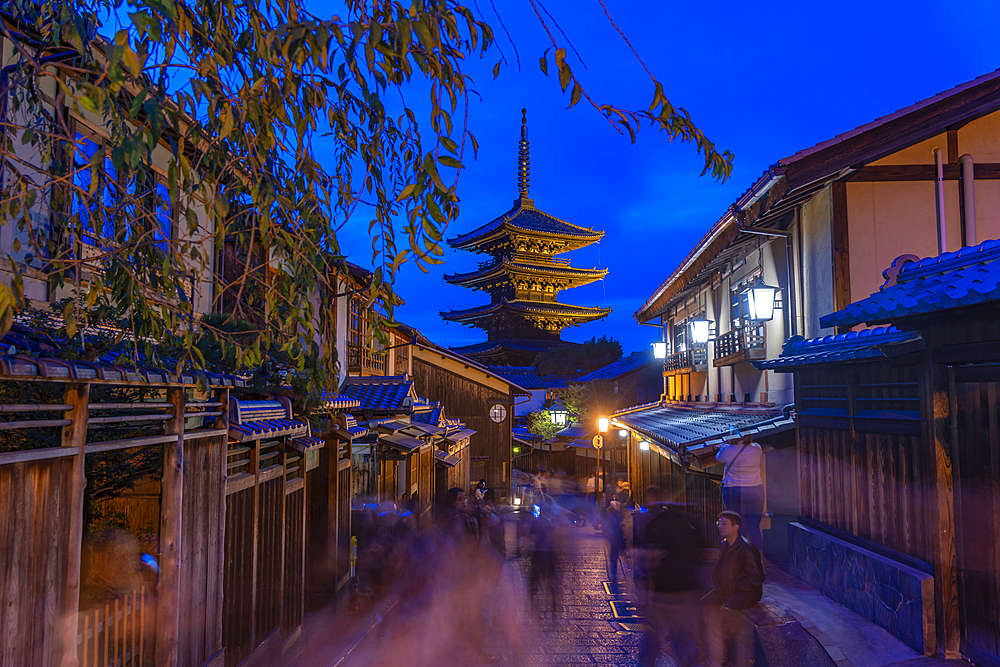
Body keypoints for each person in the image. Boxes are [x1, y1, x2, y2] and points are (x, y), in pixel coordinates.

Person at [641, 486, 702, 667]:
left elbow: (648, 537)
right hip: (686, 587)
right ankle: (686, 663)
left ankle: (647, 663)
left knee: (652, 635)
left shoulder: (661, 520)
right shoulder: (692, 523)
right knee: (683, 635)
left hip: (663, 588)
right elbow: (700, 548)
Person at [701, 510, 765, 666]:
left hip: (746, 592)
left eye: (724, 523)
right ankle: (703, 650)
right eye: (719, 523)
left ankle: (726, 653)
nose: (720, 526)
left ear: (736, 527)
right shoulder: (725, 544)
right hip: (728, 588)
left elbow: (757, 576)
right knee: (702, 605)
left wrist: (736, 586)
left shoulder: (747, 548)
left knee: (726, 612)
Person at [716, 428, 765, 552]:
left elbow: (718, 458)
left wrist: (724, 444)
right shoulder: (756, 448)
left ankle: (740, 555)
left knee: (738, 524)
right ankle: (757, 557)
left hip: (733, 489)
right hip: (755, 489)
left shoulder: (726, 450)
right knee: (754, 526)